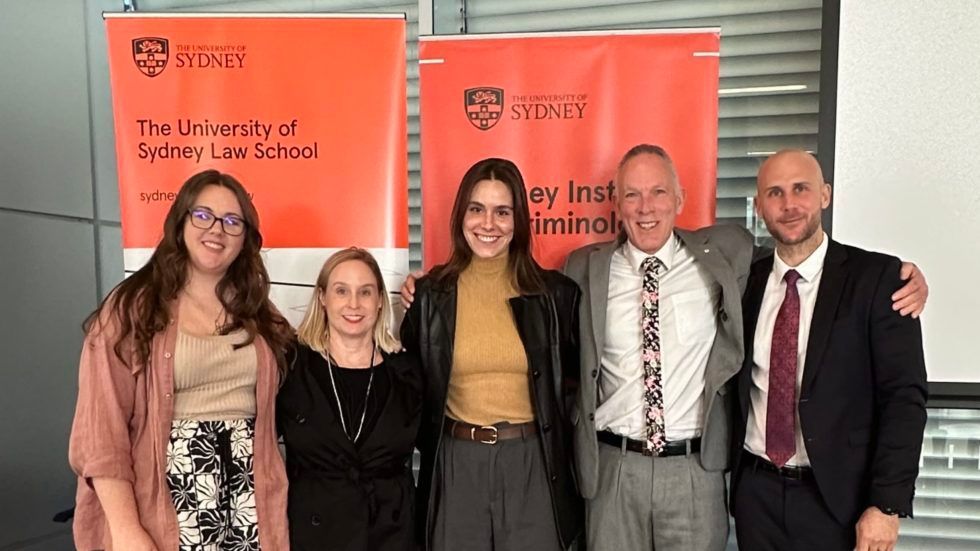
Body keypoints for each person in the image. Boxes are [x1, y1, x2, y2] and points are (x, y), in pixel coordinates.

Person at [561, 144, 928, 550]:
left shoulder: (869, 279)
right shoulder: (585, 269)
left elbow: (903, 397)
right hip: (644, 473)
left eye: (659, 192)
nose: (646, 206)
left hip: (721, 476)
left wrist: (887, 504)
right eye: (632, 194)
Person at [69, 169, 293, 551]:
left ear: (246, 239)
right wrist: (126, 531)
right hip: (167, 501)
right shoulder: (131, 310)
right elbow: (100, 436)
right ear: (181, 221)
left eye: (232, 221)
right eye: (203, 215)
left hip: (247, 497)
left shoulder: (259, 313)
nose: (217, 230)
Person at [730, 149, 928, 551]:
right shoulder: (743, 283)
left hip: (840, 502)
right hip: (756, 495)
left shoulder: (879, 280)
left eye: (800, 189)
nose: (788, 205)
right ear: (759, 206)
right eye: (775, 193)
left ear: (825, 194)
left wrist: (885, 505)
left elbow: (903, 399)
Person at [400, 158, 583, 551]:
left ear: (518, 220)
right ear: (460, 214)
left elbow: (573, 387)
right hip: (456, 463)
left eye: (502, 212)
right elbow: (409, 389)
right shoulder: (430, 296)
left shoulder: (556, 297)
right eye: (477, 209)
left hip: (532, 463)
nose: (488, 224)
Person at [277, 247, 421, 551]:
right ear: (322, 298)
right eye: (341, 291)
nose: (353, 304)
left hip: (391, 537)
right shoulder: (291, 367)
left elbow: (440, 450)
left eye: (365, 292)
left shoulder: (406, 373)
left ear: (381, 300)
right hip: (313, 538)